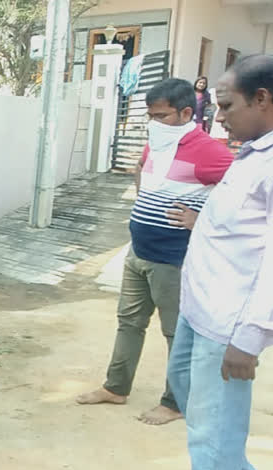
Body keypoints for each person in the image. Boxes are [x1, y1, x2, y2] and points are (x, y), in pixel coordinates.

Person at [76, 78, 234, 426]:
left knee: (176, 333)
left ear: (186, 113)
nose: (153, 123)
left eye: (161, 115)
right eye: (150, 115)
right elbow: (144, 179)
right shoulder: (157, 143)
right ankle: (116, 388)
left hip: (174, 260)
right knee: (129, 323)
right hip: (138, 252)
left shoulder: (208, 150)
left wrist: (202, 218)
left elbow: (245, 194)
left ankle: (175, 402)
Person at [167, 55, 273, 470]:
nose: (218, 116)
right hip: (201, 306)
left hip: (229, 324)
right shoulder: (255, 149)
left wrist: (250, 337)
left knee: (211, 435)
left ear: (262, 98)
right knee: (182, 384)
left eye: (226, 105)